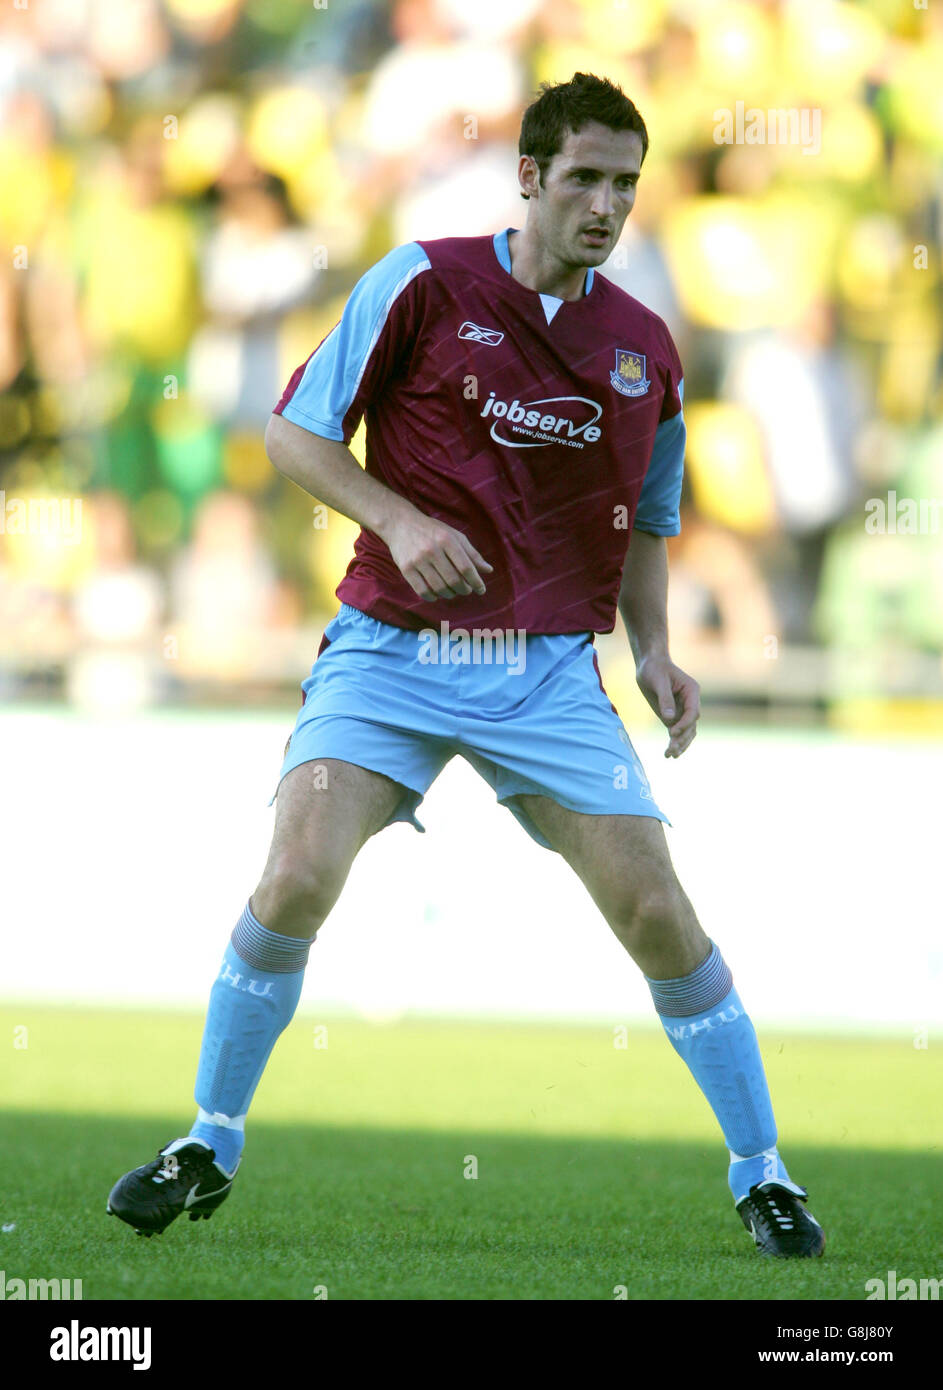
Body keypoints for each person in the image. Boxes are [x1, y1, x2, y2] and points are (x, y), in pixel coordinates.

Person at [107, 73, 824, 1260]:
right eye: (584, 177)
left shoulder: (644, 351)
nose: (605, 204)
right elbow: (291, 433)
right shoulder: (422, 280)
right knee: (293, 874)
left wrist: (654, 652)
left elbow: (648, 523)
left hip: (542, 671)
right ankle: (209, 1138)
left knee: (655, 909)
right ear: (531, 177)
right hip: (389, 653)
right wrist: (395, 519)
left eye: (625, 185)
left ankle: (763, 1171)